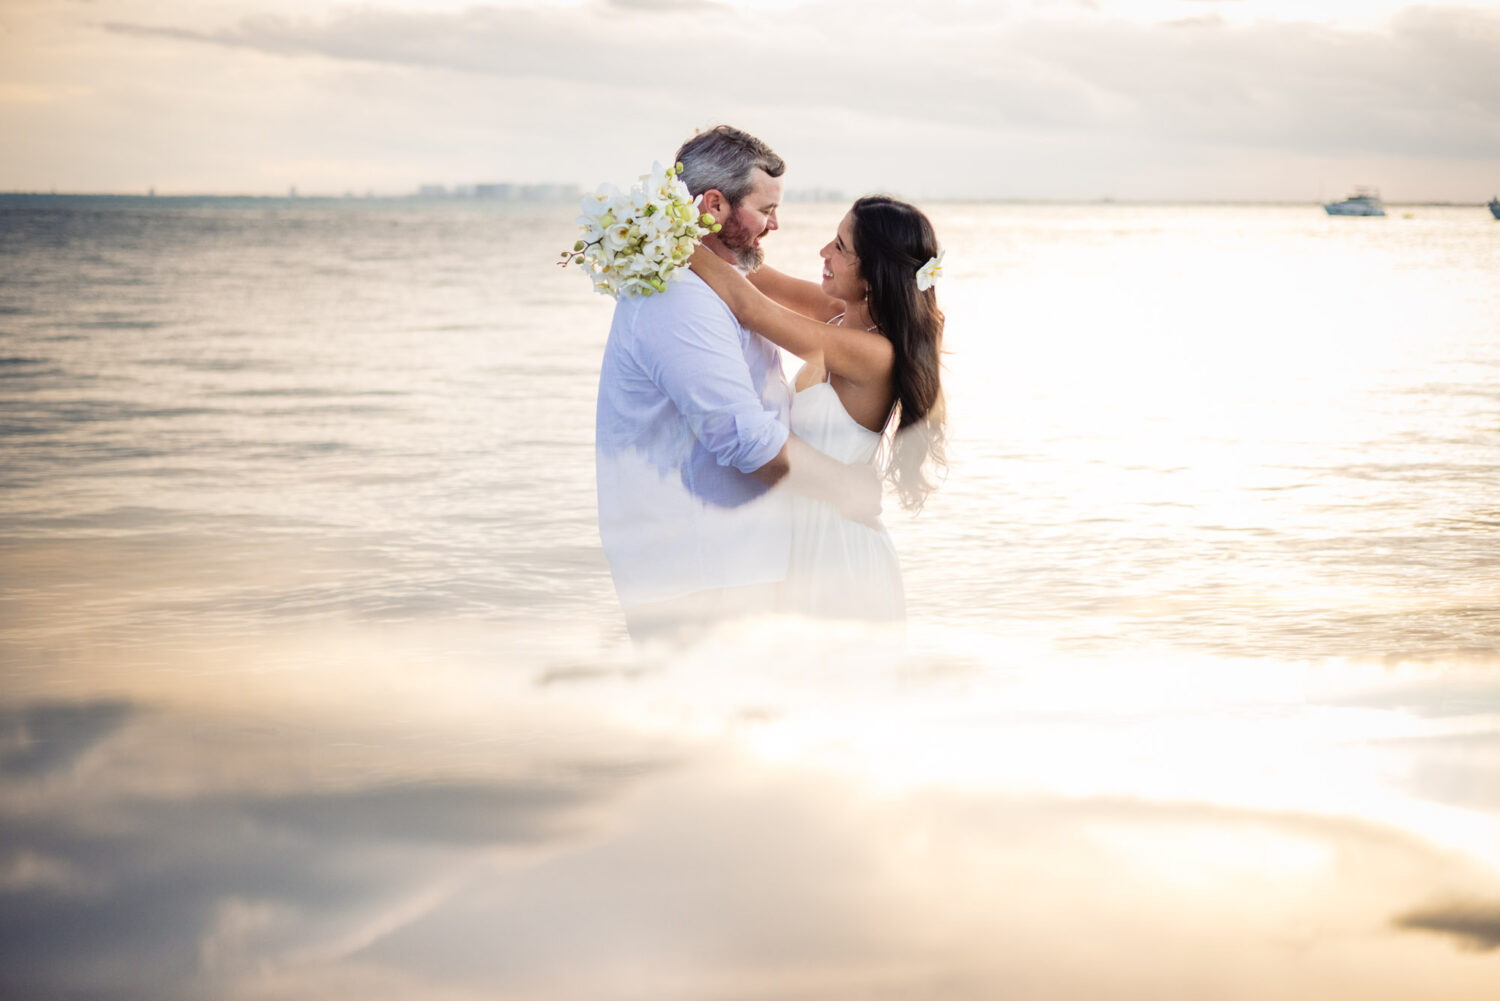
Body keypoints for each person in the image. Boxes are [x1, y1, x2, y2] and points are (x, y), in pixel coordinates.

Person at [594, 126, 879, 640]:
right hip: (697, 572)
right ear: (714, 205)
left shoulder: (718, 280)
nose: (775, 226)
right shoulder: (676, 298)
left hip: (738, 563)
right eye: (765, 210)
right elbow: (746, 438)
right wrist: (846, 487)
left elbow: (837, 311)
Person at [688, 195, 947, 622]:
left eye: (841, 247)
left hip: (841, 556)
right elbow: (753, 277)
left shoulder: (871, 353)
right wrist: (696, 226)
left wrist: (663, 242)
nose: (824, 252)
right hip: (803, 541)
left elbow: (749, 306)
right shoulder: (839, 317)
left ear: (873, 274)